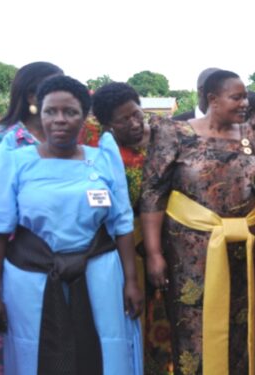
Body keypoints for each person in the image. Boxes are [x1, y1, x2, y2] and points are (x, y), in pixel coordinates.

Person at [0, 75, 143, 374]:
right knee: (36, 353)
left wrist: (131, 281)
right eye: (51, 111)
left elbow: (122, 224)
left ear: (84, 117)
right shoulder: (15, 160)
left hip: (100, 276)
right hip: (31, 277)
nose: (60, 120)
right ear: (38, 112)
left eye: (70, 112)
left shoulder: (103, 158)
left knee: (105, 350)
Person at [141, 70, 255, 374]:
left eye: (246, 96)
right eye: (237, 96)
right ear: (213, 99)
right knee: (195, 324)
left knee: (243, 322)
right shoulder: (175, 134)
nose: (245, 102)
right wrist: (154, 253)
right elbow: (153, 193)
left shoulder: (254, 134)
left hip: (248, 253)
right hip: (192, 258)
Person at [0, 61, 62, 375]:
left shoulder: (73, 141)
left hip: (60, 268)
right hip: (3, 265)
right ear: (32, 94)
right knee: (2, 347)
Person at [91, 82, 172, 374]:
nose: (135, 123)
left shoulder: (166, 138)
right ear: (107, 124)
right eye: (123, 120)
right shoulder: (105, 154)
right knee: (137, 308)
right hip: (130, 243)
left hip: (174, 238)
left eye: (137, 114)